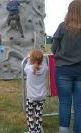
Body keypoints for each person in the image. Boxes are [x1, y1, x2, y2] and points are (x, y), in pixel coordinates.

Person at [51, 1, 81, 132]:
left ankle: (64, 131)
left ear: (70, 10)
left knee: (64, 103)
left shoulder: (63, 26)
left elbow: (53, 48)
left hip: (63, 70)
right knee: (80, 106)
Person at [24, 49, 48, 133]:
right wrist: (42, 58)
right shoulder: (45, 68)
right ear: (42, 60)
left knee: (29, 114)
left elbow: (27, 65)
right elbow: (44, 63)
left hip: (31, 97)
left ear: (31, 59)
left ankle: (32, 131)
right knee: (38, 114)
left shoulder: (28, 68)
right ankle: (38, 130)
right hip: (41, 97)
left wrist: (28, 58)